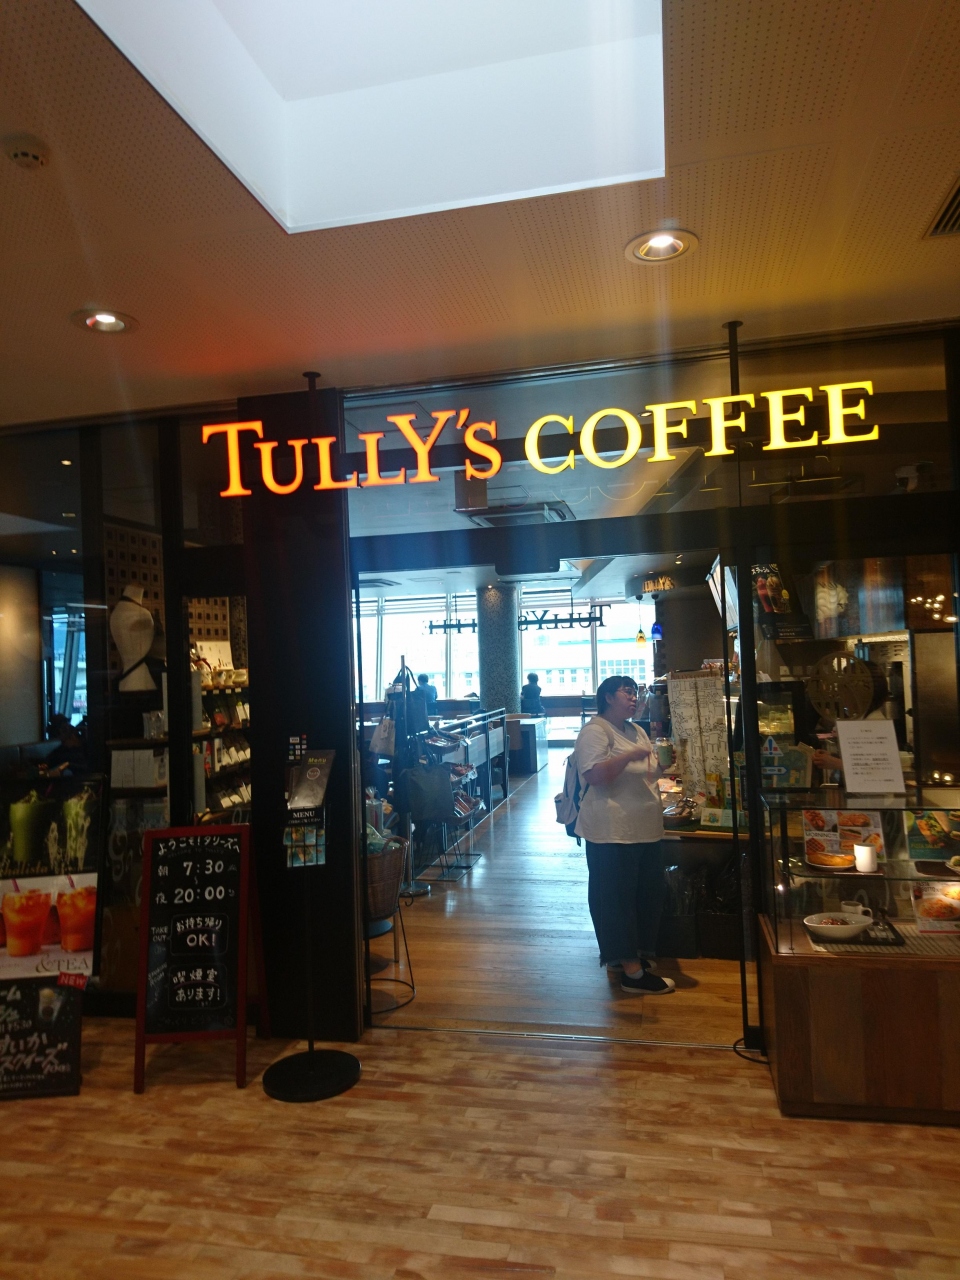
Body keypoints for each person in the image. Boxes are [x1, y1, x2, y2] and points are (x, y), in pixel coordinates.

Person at [573, 675, 675, 996]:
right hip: (611, 831)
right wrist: (629, 756)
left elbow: (648, 773)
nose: (634, 698)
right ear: (607, 697)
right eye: (627, 692)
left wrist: (663, 766)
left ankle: (625, 957)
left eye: (635, 692)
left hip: (642, 828)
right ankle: (632, 974)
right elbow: (594, 775)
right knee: (615, 900)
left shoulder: (636, 730)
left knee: (644, 895)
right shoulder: (595, 731)